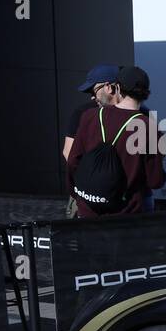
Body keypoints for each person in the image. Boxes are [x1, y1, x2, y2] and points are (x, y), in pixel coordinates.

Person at [66, 65, 166, 217]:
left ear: (117, 88)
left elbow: (73, 161)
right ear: (146, 94)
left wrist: (79, 194)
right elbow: (155, 180)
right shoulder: (148, 126)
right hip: (127, 215)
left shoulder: (90, 116)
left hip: (89, 211)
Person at [62, 63, 120, 218]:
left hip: (122, 202)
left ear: (109, 87)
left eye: (93, 90)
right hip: (88, 196)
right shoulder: (83, 112)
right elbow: (68, 153)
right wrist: (91, 182)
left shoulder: (139, 114)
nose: (92, 96)